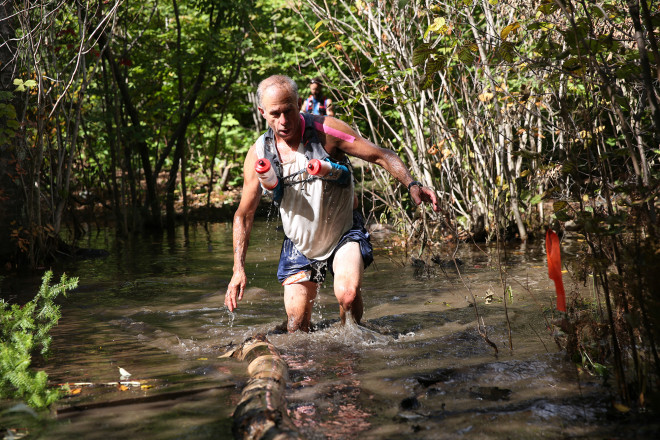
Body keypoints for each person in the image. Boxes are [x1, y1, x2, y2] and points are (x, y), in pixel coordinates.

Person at [224, 75, 439, 332]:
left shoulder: (328, 130)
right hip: (299, 241)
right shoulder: (259, 154)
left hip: (343, 231)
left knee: (347, 296)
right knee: (296, 326)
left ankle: (354, 346)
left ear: (299, 103)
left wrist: (412, 184)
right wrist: (238, 269)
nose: (283, 121)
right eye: (275, 114)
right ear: (262, 113)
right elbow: (243, 215)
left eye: (288, 111)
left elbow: (382, 155)